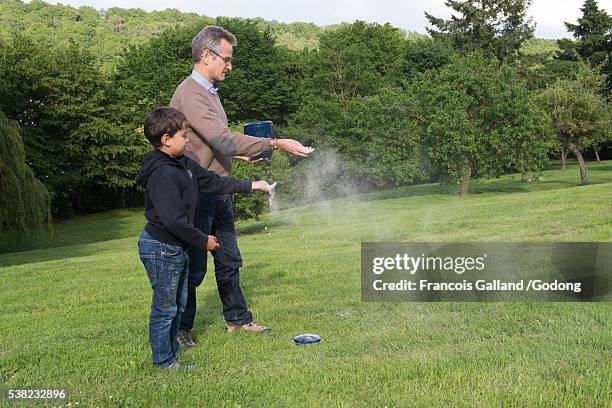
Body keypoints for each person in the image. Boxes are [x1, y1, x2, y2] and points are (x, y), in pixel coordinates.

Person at [170, 25, 314, 345]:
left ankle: (237, 320)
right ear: (206, 56)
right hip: (197, 193)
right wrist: (274, 143)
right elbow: (221, 138)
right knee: (192, 267)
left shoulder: (208, 93)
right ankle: (180, 329)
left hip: (219, 188)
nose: (229, 65)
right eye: (226, 59)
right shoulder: (190, 94)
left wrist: (242, 158)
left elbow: (210, 143)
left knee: (229, 259)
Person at [135, 107, 274, 369]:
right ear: (166, 139)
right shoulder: (162, 174)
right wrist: (203, 240)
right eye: (184, 136)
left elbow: (213, 181)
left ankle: (169, 358)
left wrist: (252, 185)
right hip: (161, 247)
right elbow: (174, 220)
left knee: (176, 304)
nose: (188, 141)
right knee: (166, 307)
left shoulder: (183, 164)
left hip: (174, 246)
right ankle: (163, 362)